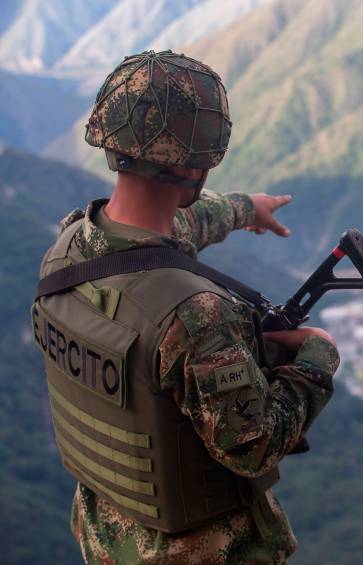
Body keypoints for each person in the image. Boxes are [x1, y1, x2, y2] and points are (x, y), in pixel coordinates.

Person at [32, 50, 339, 564]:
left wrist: (245, 208)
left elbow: (178, 226)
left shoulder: (68, 249)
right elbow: (256, 445)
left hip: (107, 541)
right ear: (197, 165)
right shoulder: (195, 315)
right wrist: (316, 361)